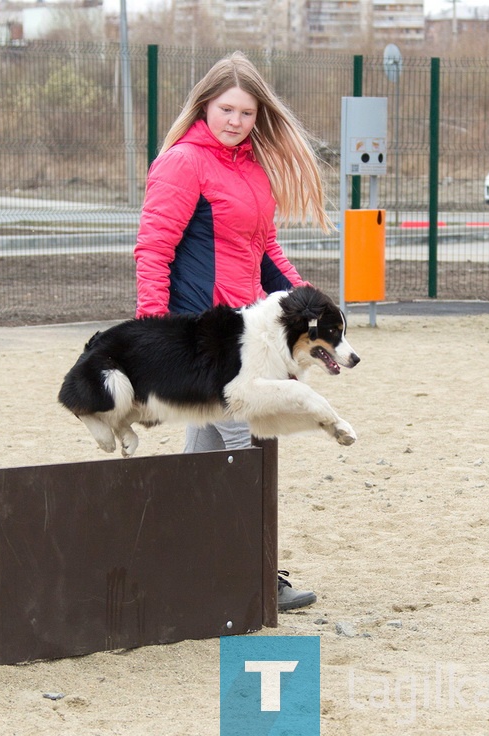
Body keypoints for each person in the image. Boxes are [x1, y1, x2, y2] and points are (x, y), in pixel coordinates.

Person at [134, 51, 334, 612]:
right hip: (201, 341)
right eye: (226, 109)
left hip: (242, 338)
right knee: (248, 447)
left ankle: (167, 561)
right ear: (205, 105)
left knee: (203, 456)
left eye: (247, 112)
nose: (235, 121)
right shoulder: (182, 163)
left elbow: (265, 249)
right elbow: (153, 249)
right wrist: (152, 333)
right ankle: (256, 573)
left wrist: (307, 302)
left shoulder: (249, 168)